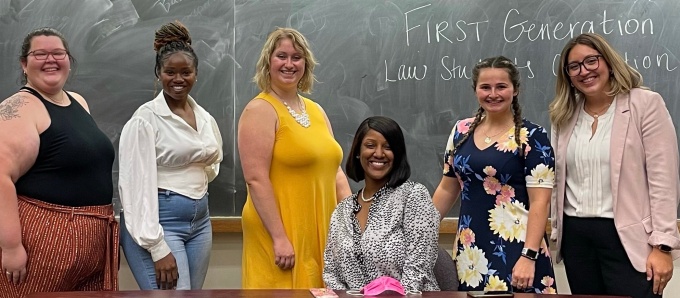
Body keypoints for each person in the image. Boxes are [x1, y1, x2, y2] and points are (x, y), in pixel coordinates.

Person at [549, 33, 680, 298]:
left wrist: (663, 246)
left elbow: (663, 179)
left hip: (629, 239)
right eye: (574, 66)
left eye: (591, 61)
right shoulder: (563, 114)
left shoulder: (644, 104)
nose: (584, 71)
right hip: (577, 239)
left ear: (608, 62)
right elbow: (555, 180)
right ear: (568, 75)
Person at [0, 27, 118, 297]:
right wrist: (11, 247)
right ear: (24, 64)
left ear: (68, 59)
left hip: (94, 239)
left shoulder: (78, 101)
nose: (50, 60)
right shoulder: (19, 108)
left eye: (58, 53)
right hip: (42, 240)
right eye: (39, 54)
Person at [238, 27, 351, 289]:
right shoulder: (259, 109)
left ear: (306, 64)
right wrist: (279, 237)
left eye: (297, 57)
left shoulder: (316, 110)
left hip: (318, 227)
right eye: (282, 56)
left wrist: (349, 224)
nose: (289, 64)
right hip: (280, 231)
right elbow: (255, 179)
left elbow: (335, 171)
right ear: (268, 61)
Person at [432, 56, 557, 293]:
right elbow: (447, 189)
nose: (493, 94)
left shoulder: (532, 136)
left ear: (515, 90)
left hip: (518, 249)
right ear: (475, 90)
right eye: (485, 87)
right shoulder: (461, 131)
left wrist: (529, 257)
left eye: (501, 86)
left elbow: (541, 201)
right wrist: (419, 232)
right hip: (471, 250)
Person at [118, 21, 223, 290]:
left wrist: (190, 181)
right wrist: (156, 246)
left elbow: (212, 163)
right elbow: (133, 185)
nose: (178, 79)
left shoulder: (204, 117)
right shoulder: (145, 120)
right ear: (158, 73)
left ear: (196, 74)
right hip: (162, 225)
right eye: (170, 72)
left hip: (200, 224)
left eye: (186, 72)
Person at [322, 116, 440, 292]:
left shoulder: (413, 196)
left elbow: (418, 269)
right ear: (357, 152)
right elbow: (331, 274)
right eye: (370, 145)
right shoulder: (342, 210)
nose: (378, 153)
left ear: (397, 154)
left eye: (388, 147)